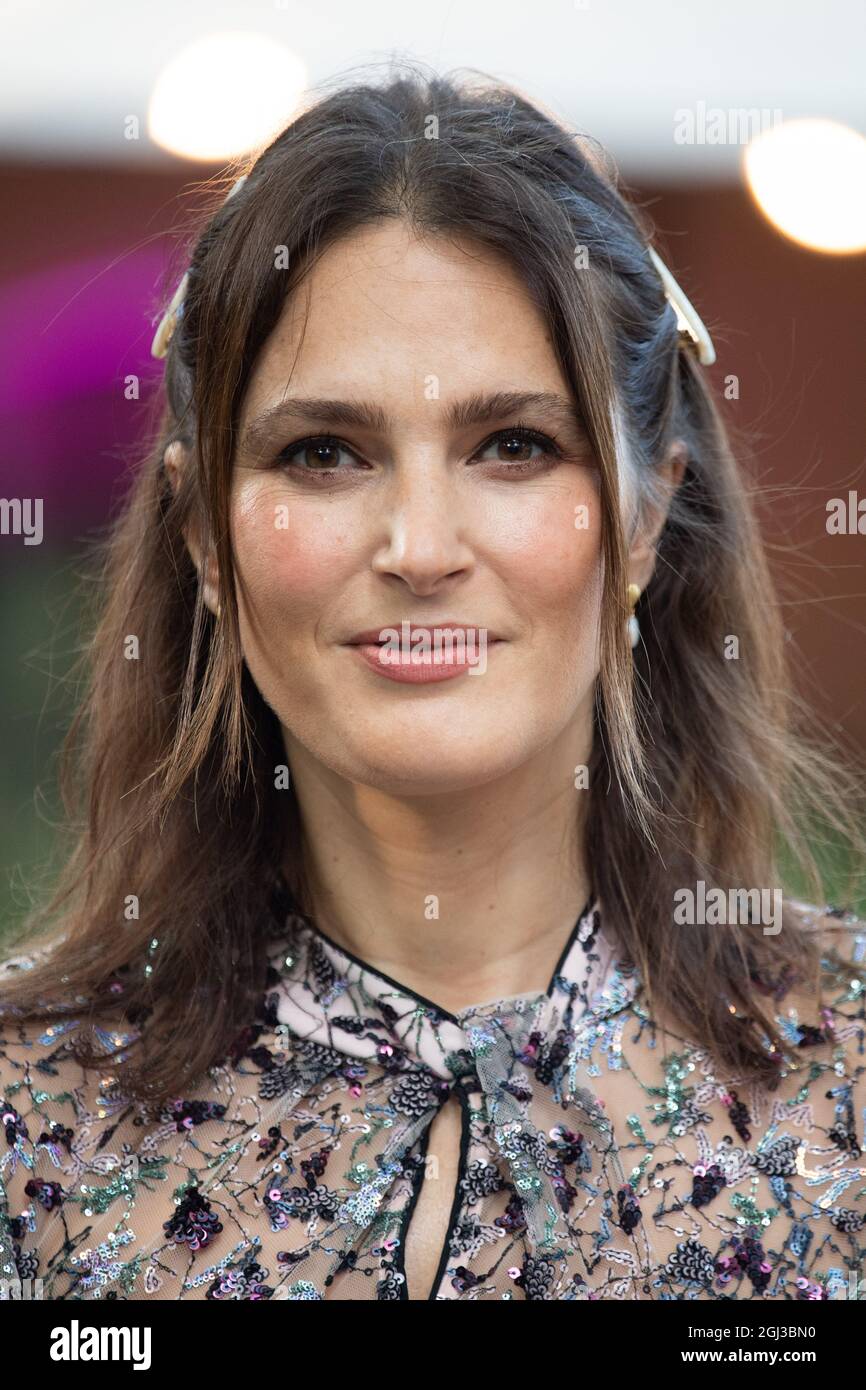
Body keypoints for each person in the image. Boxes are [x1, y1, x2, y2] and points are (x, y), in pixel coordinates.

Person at [0, 64, 863, 1302]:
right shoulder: (25, 1117)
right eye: (324, 453)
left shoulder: (846, 1089)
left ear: (645, 516)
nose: (417, 546)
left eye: (512, 446)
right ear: (202, 535)